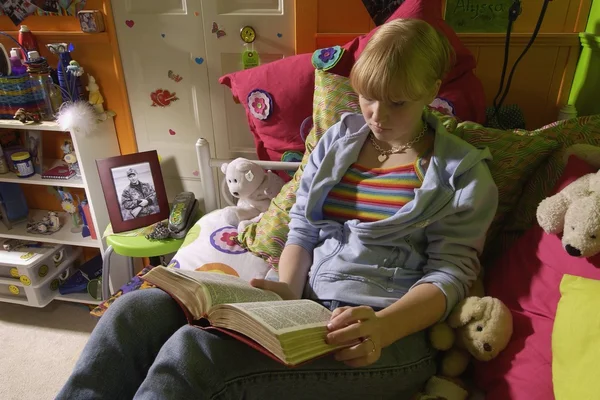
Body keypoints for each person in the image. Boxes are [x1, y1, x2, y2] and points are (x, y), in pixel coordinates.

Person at [57, 18, 497, 400]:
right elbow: (303, 228)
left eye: (397, 101)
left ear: (432, 92)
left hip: (386, 334)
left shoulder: (463, 174)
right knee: (134, 313)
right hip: (305, 308)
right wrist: (285, 287)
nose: (377, 115)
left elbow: (450, 275)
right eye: (367, 96)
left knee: (195, 353)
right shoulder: (339, 140)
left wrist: (381, 328)